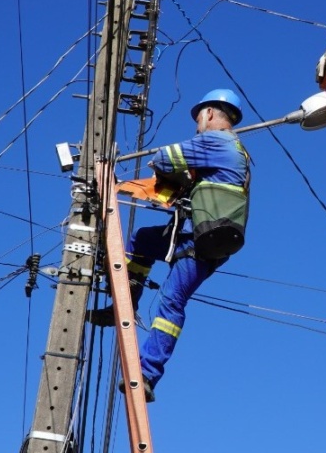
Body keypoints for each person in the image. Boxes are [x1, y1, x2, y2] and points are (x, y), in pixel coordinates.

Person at [88, 88, 251, 402]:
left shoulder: (215, 141)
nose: (197, 126)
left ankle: (147, 373)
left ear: (211, 113)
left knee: (171, 301)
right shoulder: (237, 152)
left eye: (199, 118)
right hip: (205, 237)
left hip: (198, 239)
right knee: (141, 242)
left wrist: (171, 172)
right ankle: (125, 303)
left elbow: (163, 158)